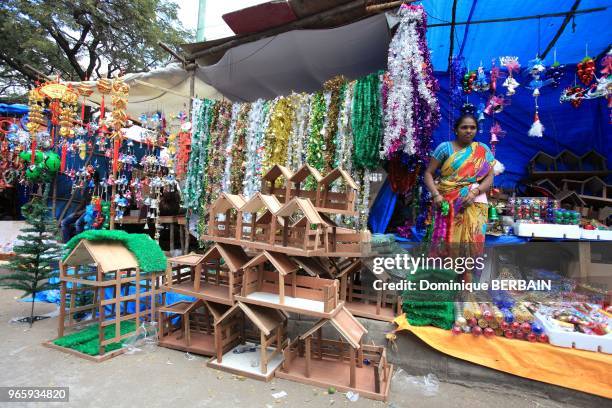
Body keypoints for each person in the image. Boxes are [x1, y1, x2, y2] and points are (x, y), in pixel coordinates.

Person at [423, 114, 496, 246]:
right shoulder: (445, 148)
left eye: (472, 127)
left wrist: (475, 192)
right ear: (455, 130)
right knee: (446, 242)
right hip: (446, 202)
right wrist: (436, 195)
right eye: (464, 127)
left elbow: (490, 176)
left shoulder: (483, 149)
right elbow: (428, 173)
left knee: (472, 245)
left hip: (475, 201)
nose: (469, 131)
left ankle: (468, 267)